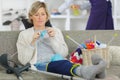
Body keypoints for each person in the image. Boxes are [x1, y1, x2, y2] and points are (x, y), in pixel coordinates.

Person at [16, 1, 107, 80]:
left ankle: (95, 71)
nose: (40, 17)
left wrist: (53, 39)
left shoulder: (56, 31)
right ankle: (94, 71)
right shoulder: (24, 35)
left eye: (43, 14)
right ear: (31, 17)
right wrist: (32, 42)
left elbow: (63, 53)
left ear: (47, 16)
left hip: (59, 60)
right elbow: (23, 60)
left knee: (63, 63)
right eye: (36, 14)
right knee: (59, 65)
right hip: (40, 64)